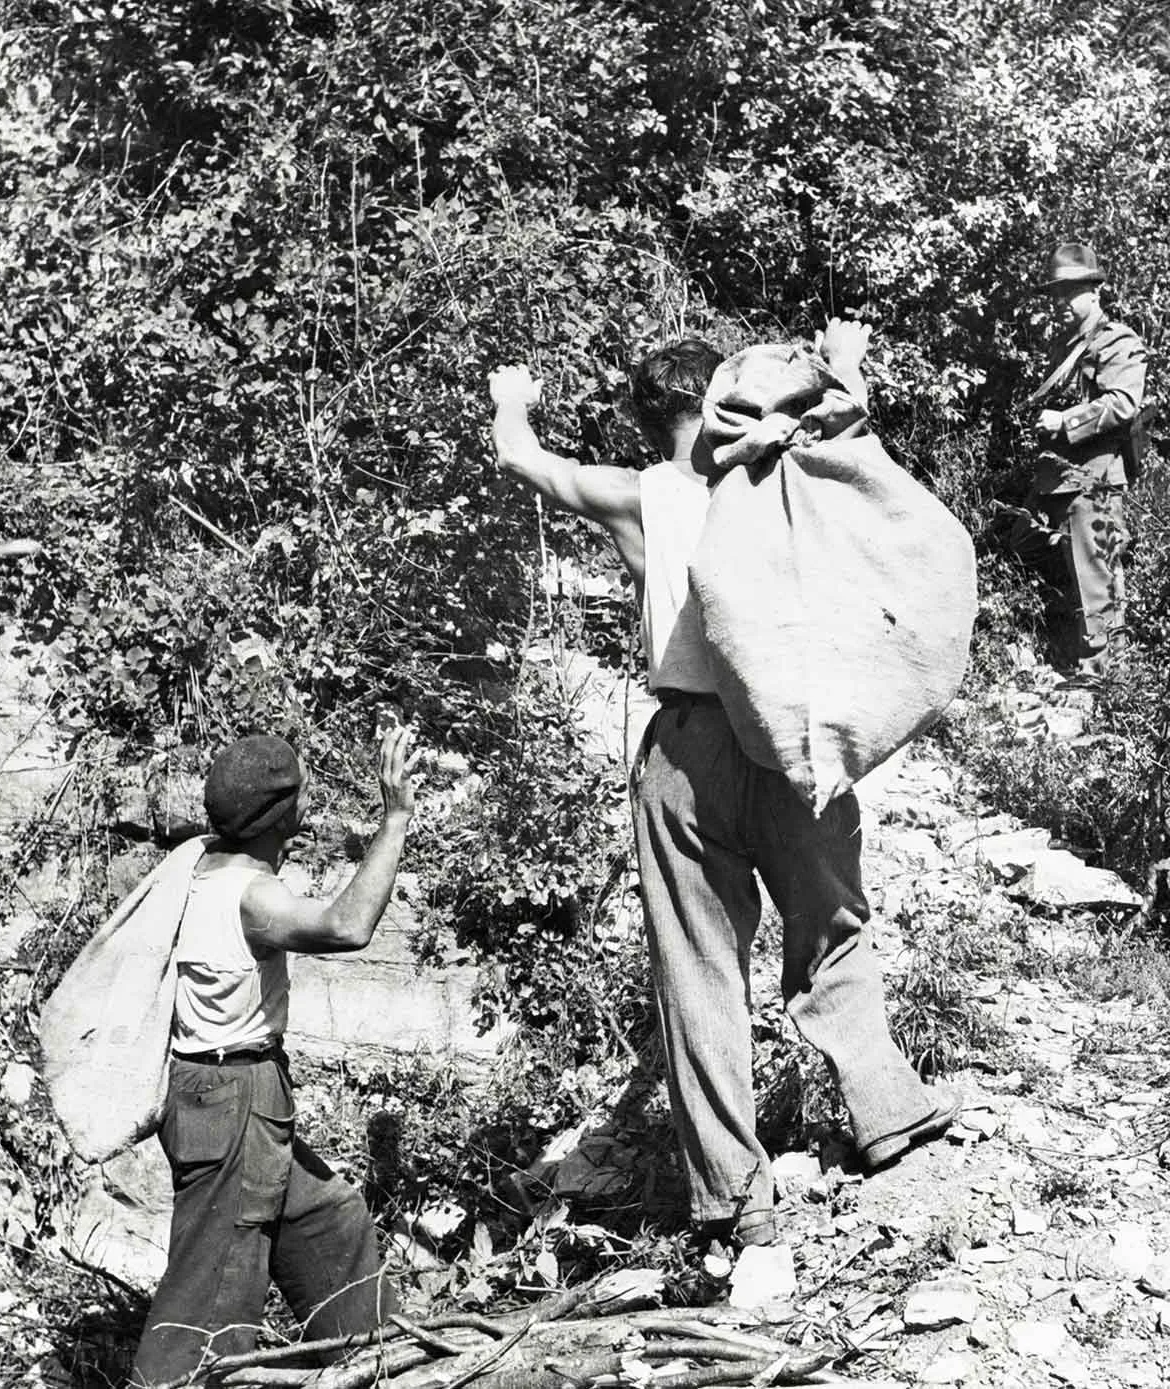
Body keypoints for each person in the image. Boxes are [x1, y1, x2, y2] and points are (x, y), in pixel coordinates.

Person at [488, 324, 958, 1249]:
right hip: (790, 738)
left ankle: (737, 1198)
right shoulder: (788, 475)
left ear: (646, 413)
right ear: (720, 399)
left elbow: (518, 455)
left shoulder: (637, 498)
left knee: (699, 971)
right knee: (831, 925)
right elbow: (857, 448)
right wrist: (846, 359)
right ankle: (886, 1110)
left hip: (688, 747)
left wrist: (514, 394)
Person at [131, 729, 415, 1385]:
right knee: (211, 1292)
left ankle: (379, 1367)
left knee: (329, 1223)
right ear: (280, 815)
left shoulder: (198, 865)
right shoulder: (253, 900)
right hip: (233, 1100)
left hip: (223, 1094)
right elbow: (348, 926)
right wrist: (395, 818)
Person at [1020, 241, 1148, 678]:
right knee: (1066, 567)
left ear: (1095, 291)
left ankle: (1102, 678)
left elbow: (1124, 402)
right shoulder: (1064, 346)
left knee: (1097, 577)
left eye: (1069, 292)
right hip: (1061, 478)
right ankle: (1090, 661)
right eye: (1055, 293)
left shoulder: (1118, 341)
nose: (1059, 302)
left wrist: (1064, 421)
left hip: (1095, 480)